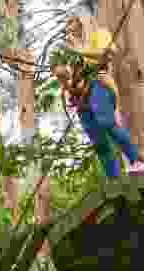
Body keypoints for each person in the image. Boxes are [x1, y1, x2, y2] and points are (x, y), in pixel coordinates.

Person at [50, 47, 144, 176]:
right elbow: (75, 98)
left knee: (107, 123)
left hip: (99, 91)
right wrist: (66, 84)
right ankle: (113, 175)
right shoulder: (65, 81)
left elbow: (107, 55)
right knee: (99, 142)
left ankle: (135, 160)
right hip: (85, 106)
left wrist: (78, 52)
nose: (61, 74)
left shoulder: (81, 62)